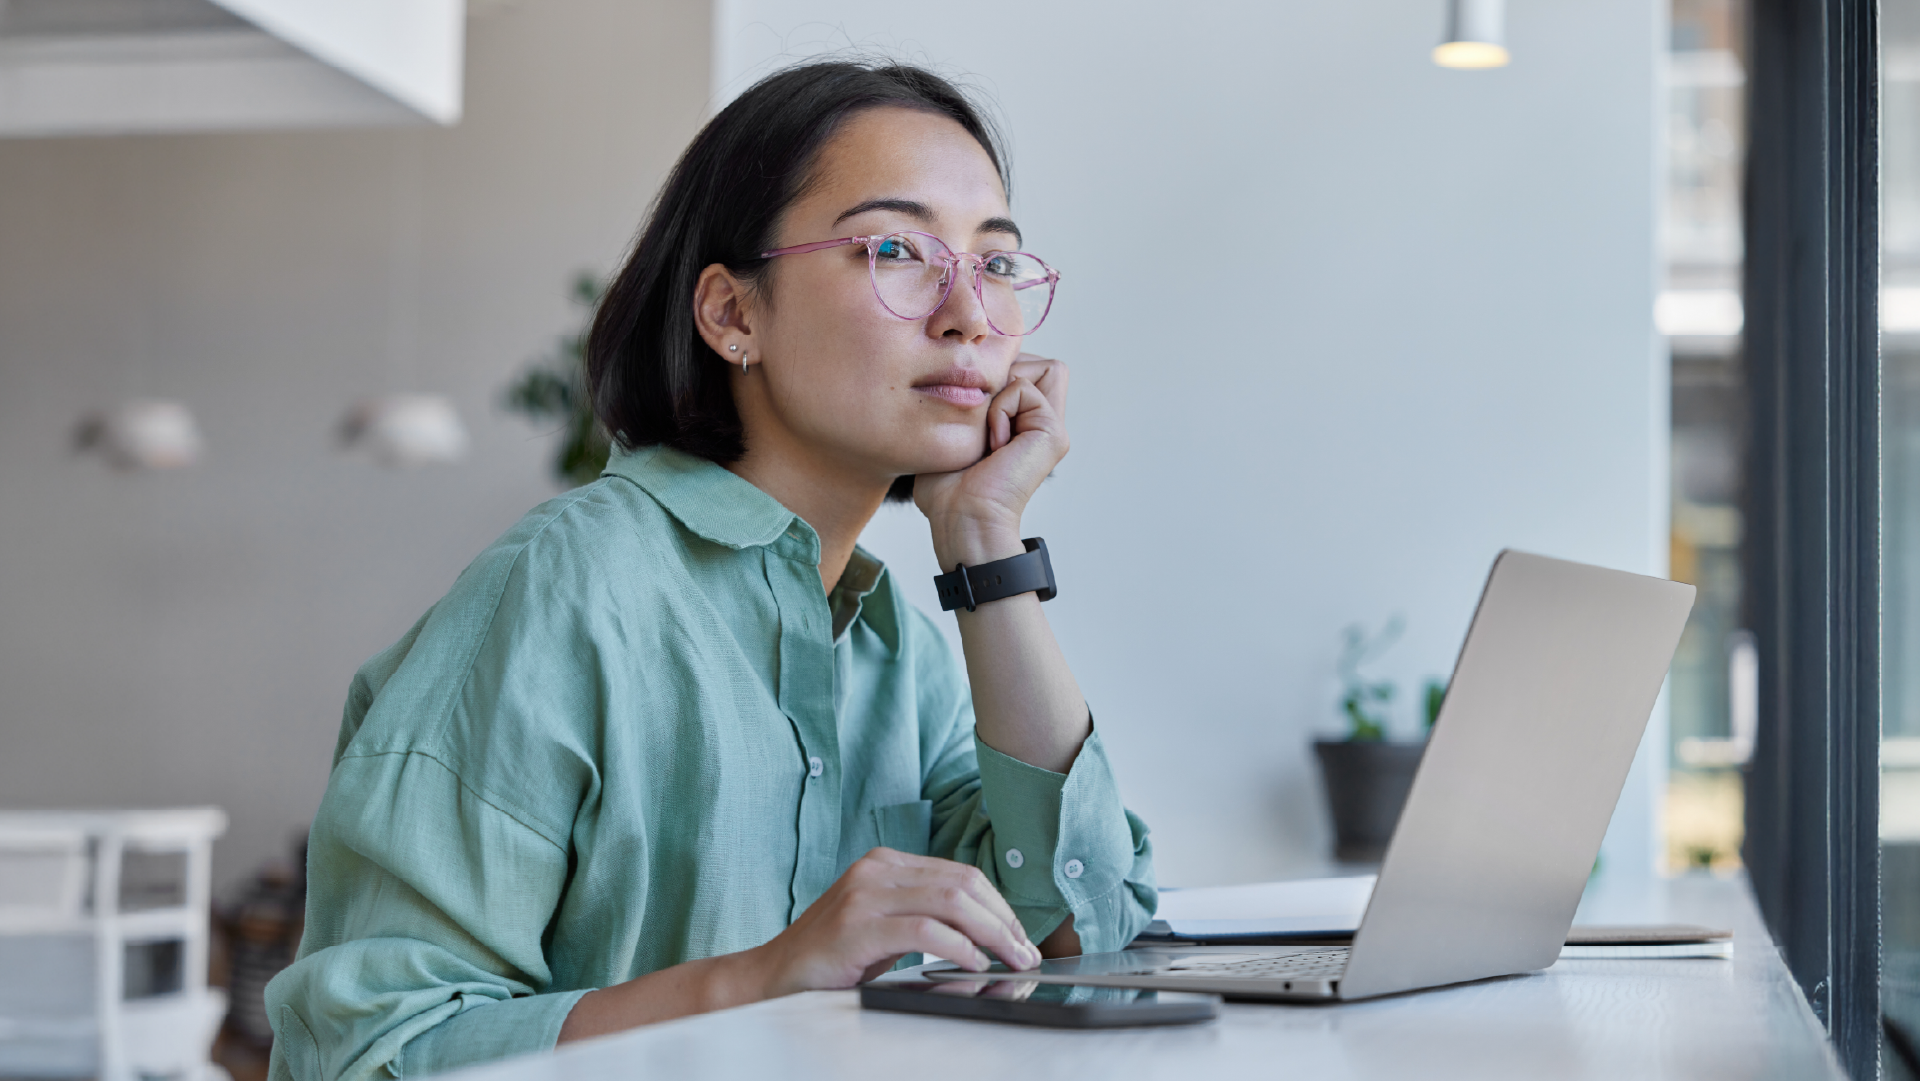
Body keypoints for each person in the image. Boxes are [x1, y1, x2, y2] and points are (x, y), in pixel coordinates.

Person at [265, 60, 1156, 1081]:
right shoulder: (566, 589)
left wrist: (988, 546)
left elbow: (1091, 932)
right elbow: (373, 1049)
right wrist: (762, 980)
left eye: (996, 265)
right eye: (897, 249)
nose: (969, 316)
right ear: (734, 315)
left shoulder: (893, 645)